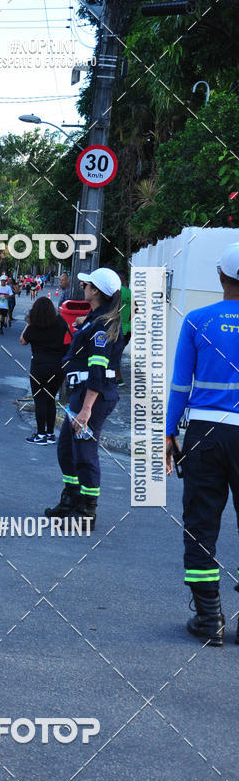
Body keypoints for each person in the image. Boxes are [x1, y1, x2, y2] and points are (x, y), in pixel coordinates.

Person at [165, 242, 239, 646]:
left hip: (206, 433)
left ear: (220, 277)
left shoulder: (197, 321)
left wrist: (168, 432)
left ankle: (209, 619)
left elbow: (180, 384)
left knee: (200, 526)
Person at [44, 268, 124, 529]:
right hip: (81, 394)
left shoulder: (102, 325)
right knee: (67, 448)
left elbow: (98, 369)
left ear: (97, 291)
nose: (83, 285)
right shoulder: (95, 318)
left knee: (85, 452)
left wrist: (86, 409)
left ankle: (87, 511)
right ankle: (71, 498)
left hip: (93, 397)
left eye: (88, 284)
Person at [20, 297, 69, 445]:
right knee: (50, 399)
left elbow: (22, 340)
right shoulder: (60, 322)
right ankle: (50, 433)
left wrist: (28, 324)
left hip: (39, 367)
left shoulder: (34, 326)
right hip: (58, 367)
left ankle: (40, 435)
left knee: (40, 400)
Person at [116, 270, 132, 385]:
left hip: (118, 328)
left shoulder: (117, 292)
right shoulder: (130, 293)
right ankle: (118, 378)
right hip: (128, 329)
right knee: (118, 353)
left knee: (115, 354)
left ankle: (118, 379)